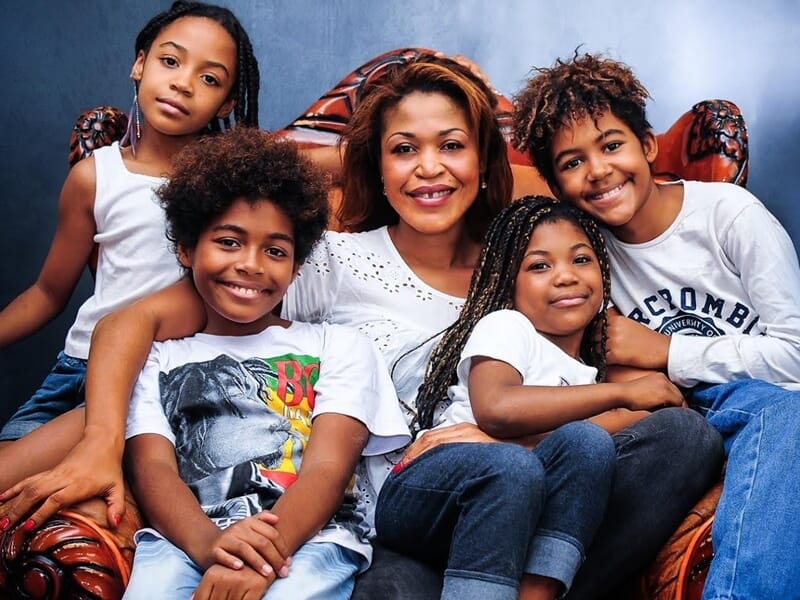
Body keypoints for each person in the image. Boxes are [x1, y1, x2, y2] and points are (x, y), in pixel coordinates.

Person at [1, 54, 720, 600]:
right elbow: (152, 332)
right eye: (404, 149)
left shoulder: (532, 265)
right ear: (373, 164)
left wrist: (508, 432)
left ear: (484, 157)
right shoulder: (327, 262)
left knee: (681, 436)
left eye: (452, 145)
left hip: (524, 495)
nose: (429, 169)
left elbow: (601, 384)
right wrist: (95, 441)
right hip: (387, 521)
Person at [512, 51, 800, 600]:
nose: (598, 171)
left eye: (612, 145)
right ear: (556, 184)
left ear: (647, 146)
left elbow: (796, 356)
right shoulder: (581, 258)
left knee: (792, 413)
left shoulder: (729, 216)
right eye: (571, 163)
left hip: (765, 402)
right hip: (663, 422)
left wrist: (666, 349)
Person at [122, 127, 410, 600]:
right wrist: (212, 546)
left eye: (275, 251)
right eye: (229, 242)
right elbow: (153, 468)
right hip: (186, 538)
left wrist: (264, 553)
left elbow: (328, 469)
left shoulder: (338, 346)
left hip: (311, 538)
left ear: (296, 267)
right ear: (187, 248)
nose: (252, 264)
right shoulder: (159, 356)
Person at [0, 0, 260, 512]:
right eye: (170, 61)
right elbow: (49, 292)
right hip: (76, 369)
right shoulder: (95, 177)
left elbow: (344, 157)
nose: (183, 83)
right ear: (139, 64)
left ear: (228, 103)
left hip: (158, 375)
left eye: (210, 80)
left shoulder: (233, 182)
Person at [377, 195, 688, 600]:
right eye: (540, 266)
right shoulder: (509, 327)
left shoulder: (587, 374)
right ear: (508, 283)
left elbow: (630, 421)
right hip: (428, 492)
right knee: (514, 467)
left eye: (581, 260)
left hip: (506, 514)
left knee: (584, 444)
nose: (566, 277)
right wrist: (621, 393)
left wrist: (621, 401)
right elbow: (497, 409)